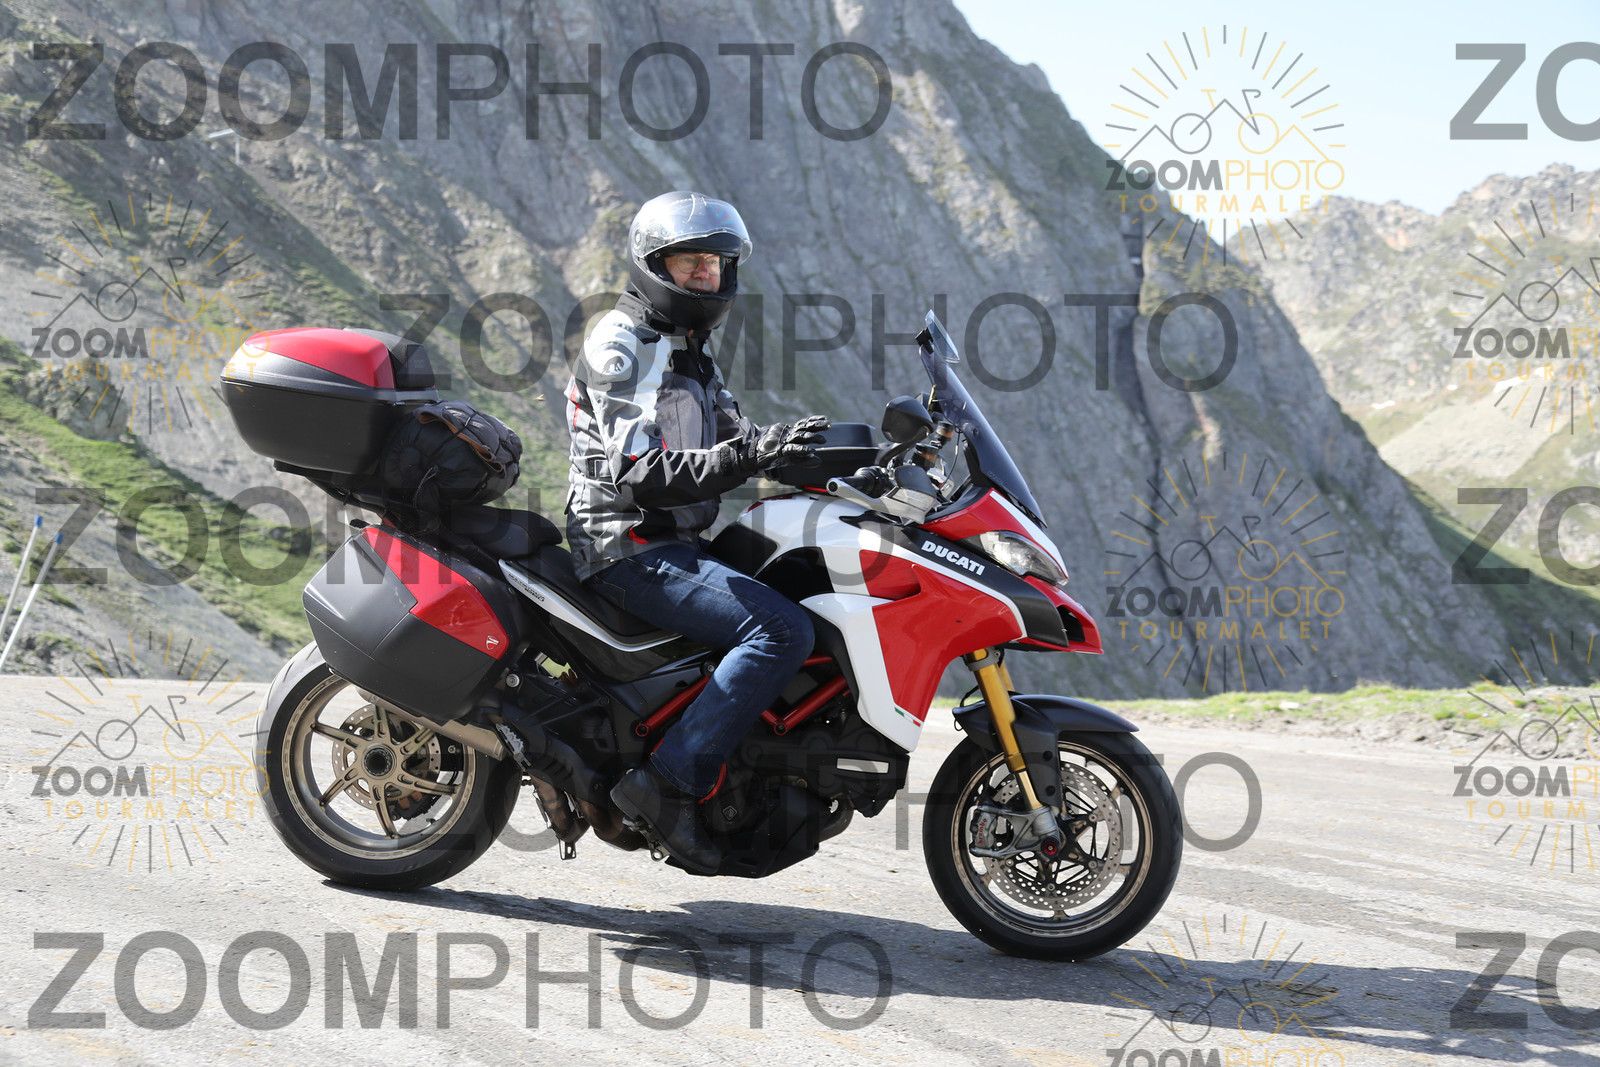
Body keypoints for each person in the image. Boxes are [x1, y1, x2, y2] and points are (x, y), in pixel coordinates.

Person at [563, 190, 831, 872]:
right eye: (691, 262)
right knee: (781, 631)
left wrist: (855, 466)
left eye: (716, 263)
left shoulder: (691, 351)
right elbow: (638, 471)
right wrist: (753, 454)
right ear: (655, 265)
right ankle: (669, 782)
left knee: (802, 588)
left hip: (674, 542)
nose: (707, 275)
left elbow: (745, 440)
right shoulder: (625, 342)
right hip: (625, 544)